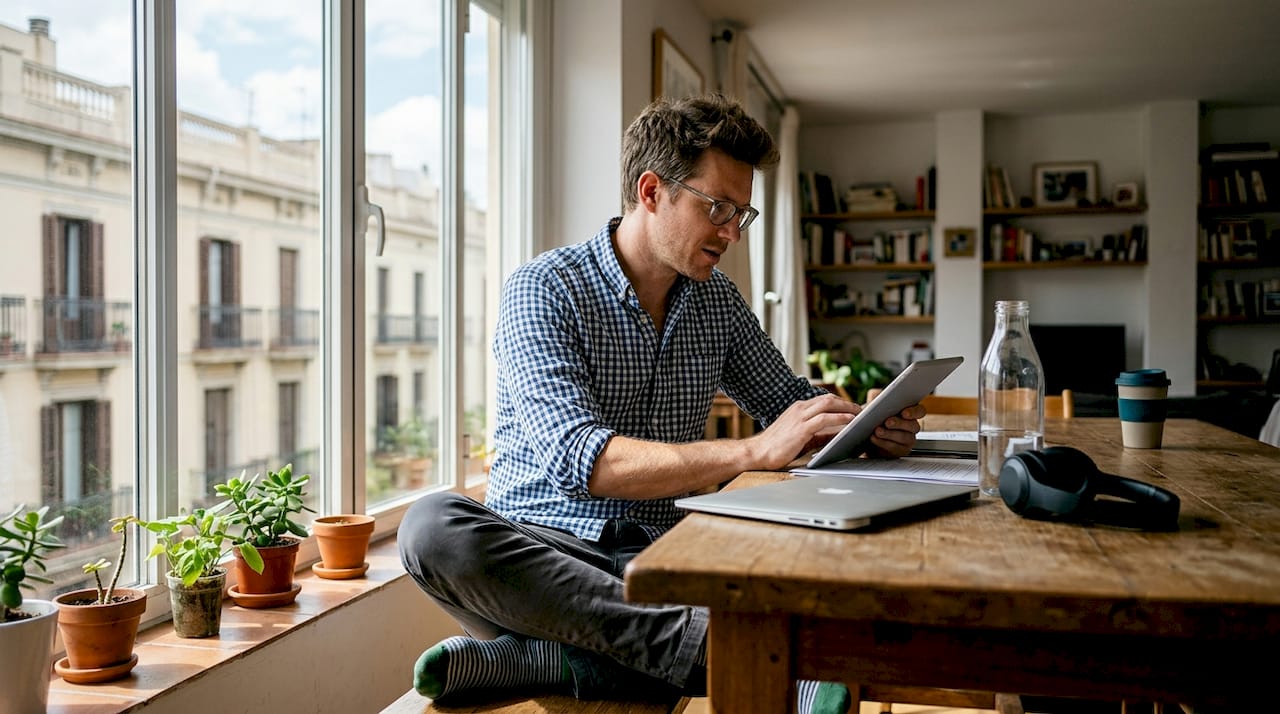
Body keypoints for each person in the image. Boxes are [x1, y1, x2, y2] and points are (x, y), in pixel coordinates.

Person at [398, 93, 923, 713]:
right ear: (652, 192)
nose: (731, 232)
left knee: (793, 558)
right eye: (719, 208)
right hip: (547, 553)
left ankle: (543, 658)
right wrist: (752, 449)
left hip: (664, 551)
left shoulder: (716, 301)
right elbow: (583, 461)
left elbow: (788, 400)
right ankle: (748, 656)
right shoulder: (543, 288)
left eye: (742, 214)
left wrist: (863, 422)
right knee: (431, 528)